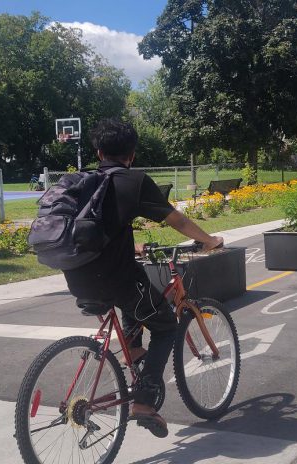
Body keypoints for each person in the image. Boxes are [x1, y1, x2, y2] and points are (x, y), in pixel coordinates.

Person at [62, 118, 224, 438]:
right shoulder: (134, 181)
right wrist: (208, 240)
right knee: (165, 326)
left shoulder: (81, 182)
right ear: (132, 154)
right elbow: (175, 219)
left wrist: (130, 243)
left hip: (77, 277)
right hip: (117, 277)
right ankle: (145, 403)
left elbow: (95, 227)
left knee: (133, 308)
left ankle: (134, 354)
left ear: (98, 152)